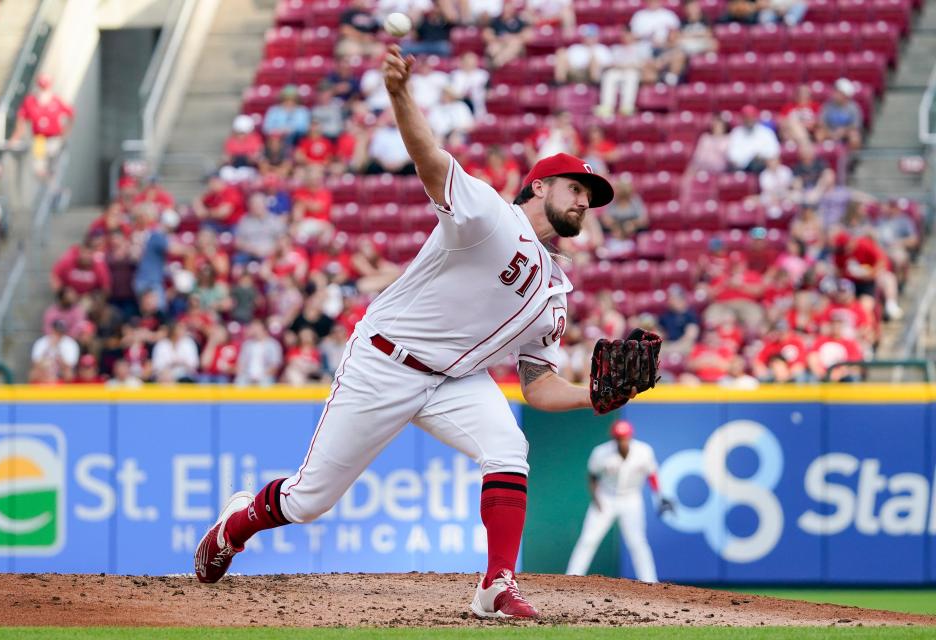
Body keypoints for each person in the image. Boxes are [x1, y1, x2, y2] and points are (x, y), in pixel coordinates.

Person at [194, 44, 631, 621]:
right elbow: (431, 161)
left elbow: (537, 383)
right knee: (309, 500)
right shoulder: (491, 216)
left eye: (591, 196)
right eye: (576, 187)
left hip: (456, 379)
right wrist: (400, 93)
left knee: (507, 448)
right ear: (539, 186)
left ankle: (496, 586)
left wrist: (591, 396)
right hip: (385, 360)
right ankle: (237, 523)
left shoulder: (555, 288)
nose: (585, 200)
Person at [565, 419, 673, 582]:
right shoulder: (601, 452)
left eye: (625, 437)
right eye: (619, 437)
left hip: (631, 499)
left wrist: (659, 497)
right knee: (588, 539)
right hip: (606, 498)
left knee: (637, 542)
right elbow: (592, 476)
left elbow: (652, 475)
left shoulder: (643, 451)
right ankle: (571, 578)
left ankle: (650, 582)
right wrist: (596, 499)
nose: (622, 440)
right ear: (613, 438)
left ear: (630, 436)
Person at [8, 74, 75, 179]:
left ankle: (52, 182)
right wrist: (15, 137)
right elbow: (21, 120)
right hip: (39, 139)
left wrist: (65, 132)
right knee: (39, 169)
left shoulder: (55, 101)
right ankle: (45, 179)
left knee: (54, 165)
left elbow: (71, 114)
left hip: (54, 138)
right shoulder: (30, 102)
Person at [726, 105, 780, 173]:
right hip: (743, 169)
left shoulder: (766, 132)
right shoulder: (736, 133)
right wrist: (750, 158)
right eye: (747, 118)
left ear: (756, 117)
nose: (749, 120)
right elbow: (732, 157)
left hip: (764, 168)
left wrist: (761, 156)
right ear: (742, 119)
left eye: (751, 117)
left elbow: (774, 152)